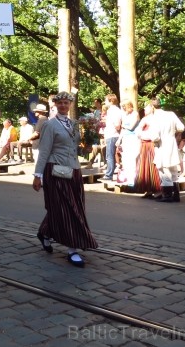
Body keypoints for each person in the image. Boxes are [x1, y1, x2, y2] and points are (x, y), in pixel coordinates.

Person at [32, 91, 99, 267]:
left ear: (70, 105)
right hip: (56, 170)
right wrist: (37, 175)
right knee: (67, 208)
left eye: (66, 103)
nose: (63, 106)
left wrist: (88, 143)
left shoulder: (75, 124)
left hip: (74, 170)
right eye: (60, 103)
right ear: (55, 105)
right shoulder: (50, 125)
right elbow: (44, 150)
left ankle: (45, 232)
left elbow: (77, 147)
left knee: (70, 206)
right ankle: (72, 249)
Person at [149, 99, 185, 202]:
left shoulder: (155, 118)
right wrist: (172, 132)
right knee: (173, 169)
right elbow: (181, 127)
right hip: (172, 142)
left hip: (162, 144)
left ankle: (167, 195)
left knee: (164, 170)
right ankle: (176, 194)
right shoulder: (171, 114)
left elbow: (155, 137)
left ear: (152, 107)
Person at [135, 103, 161, 198]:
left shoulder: (155, 119)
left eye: (146, 108)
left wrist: (143, 133)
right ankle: (148, 189)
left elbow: (153, 133)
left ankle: (158, 190)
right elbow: (137, 131)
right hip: (144, 144)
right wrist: (142, 133)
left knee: (153, 166)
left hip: (152, 144)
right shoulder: (144, 119)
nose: (144, 110)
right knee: (145, 166)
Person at [115, 101, 140, 187]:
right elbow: (123, 129)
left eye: (124, 107)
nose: (124, 109)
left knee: (133, 158)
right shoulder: (125, 115)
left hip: (133, 138)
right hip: (125, 138)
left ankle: (133, 178)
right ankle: (128, 178)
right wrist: (119, 139)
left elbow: (131, 127)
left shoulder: (135, 114)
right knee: (125, 158)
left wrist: (124, 126)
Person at [103, 94, 122, 181]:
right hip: (110, 134)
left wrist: (115, 127)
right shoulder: (112, 110)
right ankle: (109, 173)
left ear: (111, 101)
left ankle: (109, 175)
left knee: (110, 155)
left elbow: (117, 124)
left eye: (106, 100)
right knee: (109, 155)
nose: (105, 102)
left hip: (112, 135)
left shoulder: (114, 110)